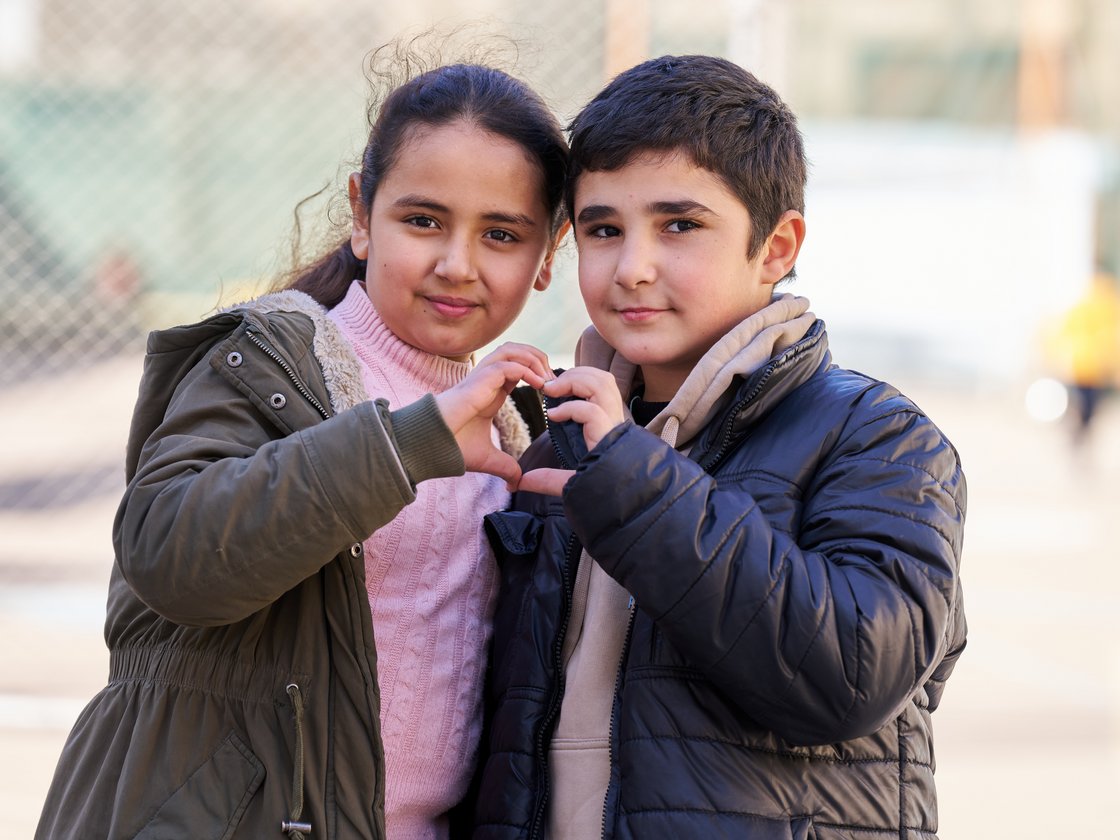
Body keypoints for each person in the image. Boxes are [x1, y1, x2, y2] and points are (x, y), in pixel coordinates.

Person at [35, 57, 569, 840]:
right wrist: (406, 446)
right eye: (422, 221)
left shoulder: (517, 425)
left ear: (548, 253)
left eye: (500, 234)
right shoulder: (272, 360)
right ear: (362, 213)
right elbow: (166, 551)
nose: (457, 263)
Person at [471, 54, 967, 839]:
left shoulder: (878, 436)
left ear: (775, 247)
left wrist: (633, 482)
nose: (633, 267)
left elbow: (851, 674)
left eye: (680, 225)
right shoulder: (557, 435)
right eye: (604, 229)